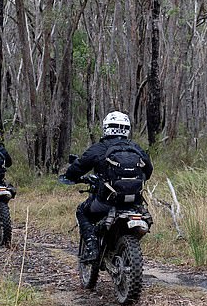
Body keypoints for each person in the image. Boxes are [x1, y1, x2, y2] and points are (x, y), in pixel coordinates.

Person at [65, 111, 153, 263]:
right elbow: (149, 171)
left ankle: (92, 247)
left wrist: (71, 176)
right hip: (134, 202)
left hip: (106, 202)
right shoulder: (136, 148)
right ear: (127, 128)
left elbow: (76, 169)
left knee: (82, 211)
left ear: (106, 128)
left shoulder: (99, 148)